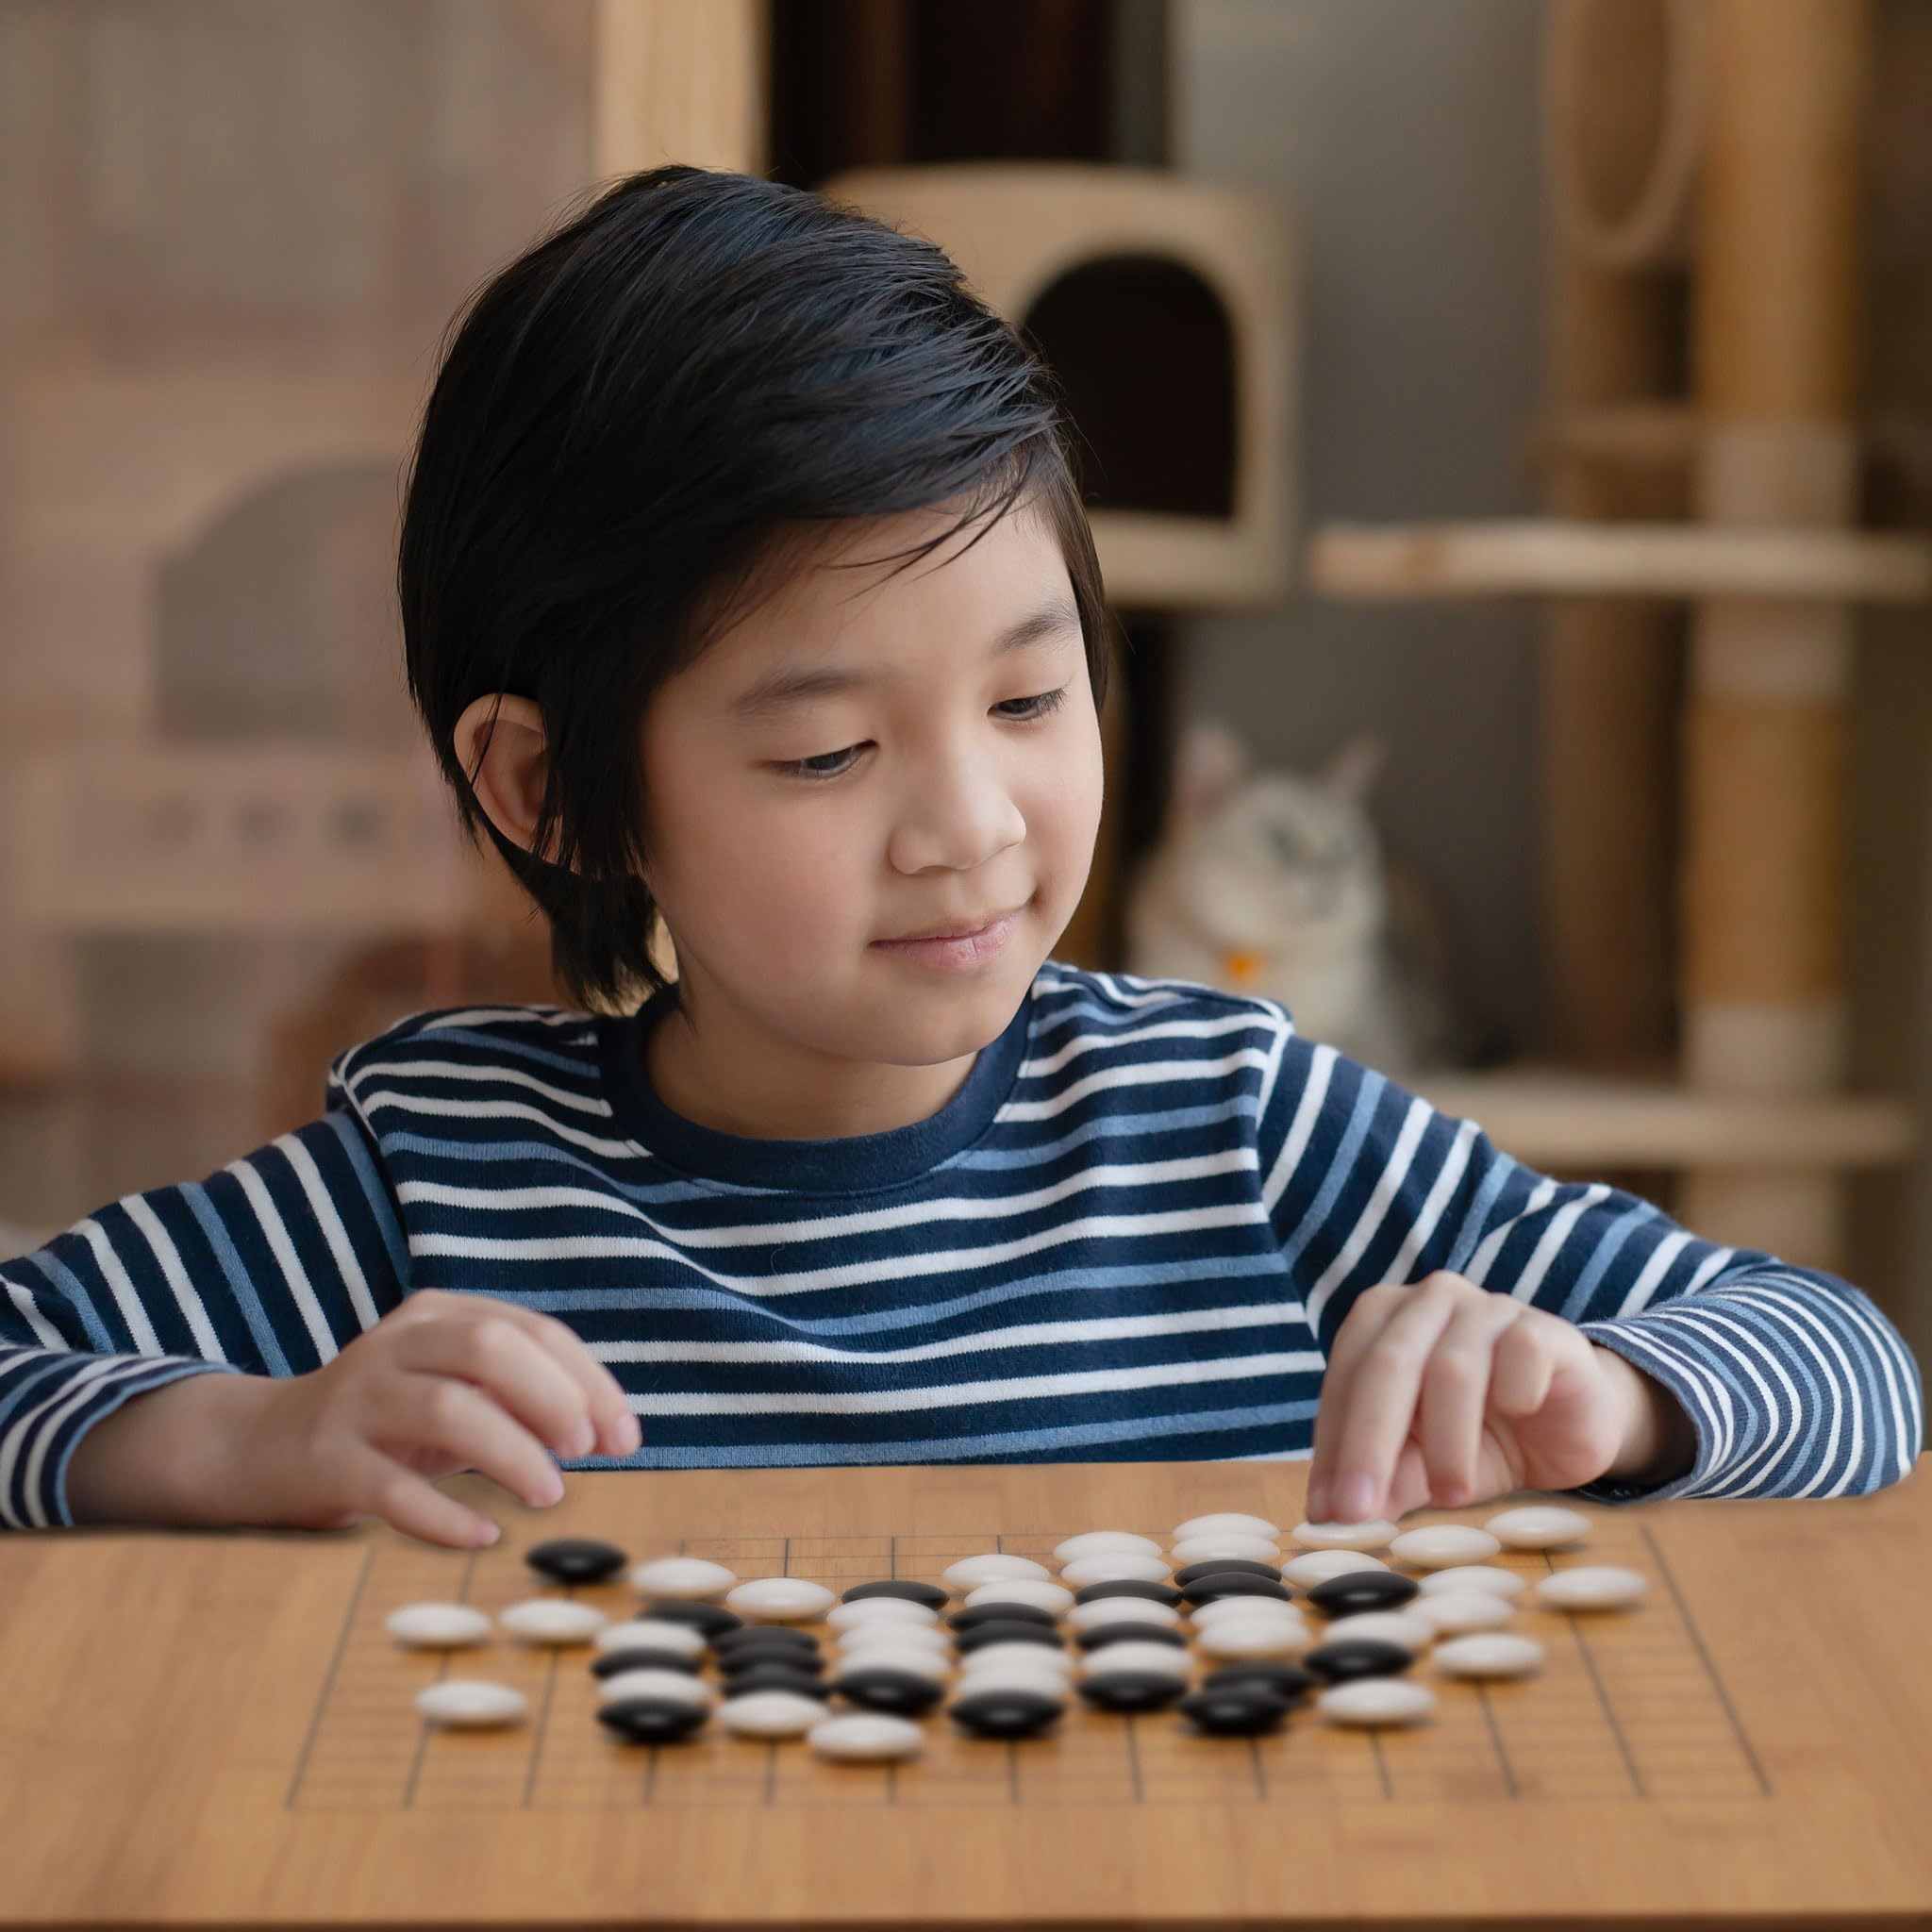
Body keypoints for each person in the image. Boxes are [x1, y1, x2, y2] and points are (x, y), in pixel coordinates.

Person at [1, 167, 1920, 1549]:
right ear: (550, 792)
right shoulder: (446, 1178)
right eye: (828, 747)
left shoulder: (1233, 1121)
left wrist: (1617, 1395)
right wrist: (245, 1438)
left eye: (1029, 699)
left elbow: (1850, 1366)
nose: (976, 827)